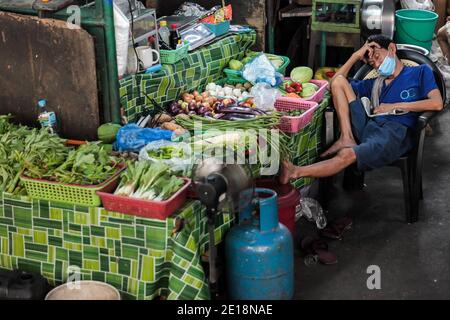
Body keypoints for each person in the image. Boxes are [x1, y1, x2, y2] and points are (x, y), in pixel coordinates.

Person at [280, 34, 443, 184]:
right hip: (369, 126)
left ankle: (296, 172)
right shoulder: (376, 83)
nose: (377, 65)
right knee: (339, 83)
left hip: (395, 133)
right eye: (372, 63)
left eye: (377, 56)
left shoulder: (420, 72)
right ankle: (346, 137)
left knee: (346, 155)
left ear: (392, 48)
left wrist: (394, 106)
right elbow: (334, 84)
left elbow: (437, 103)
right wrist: (355, 56)